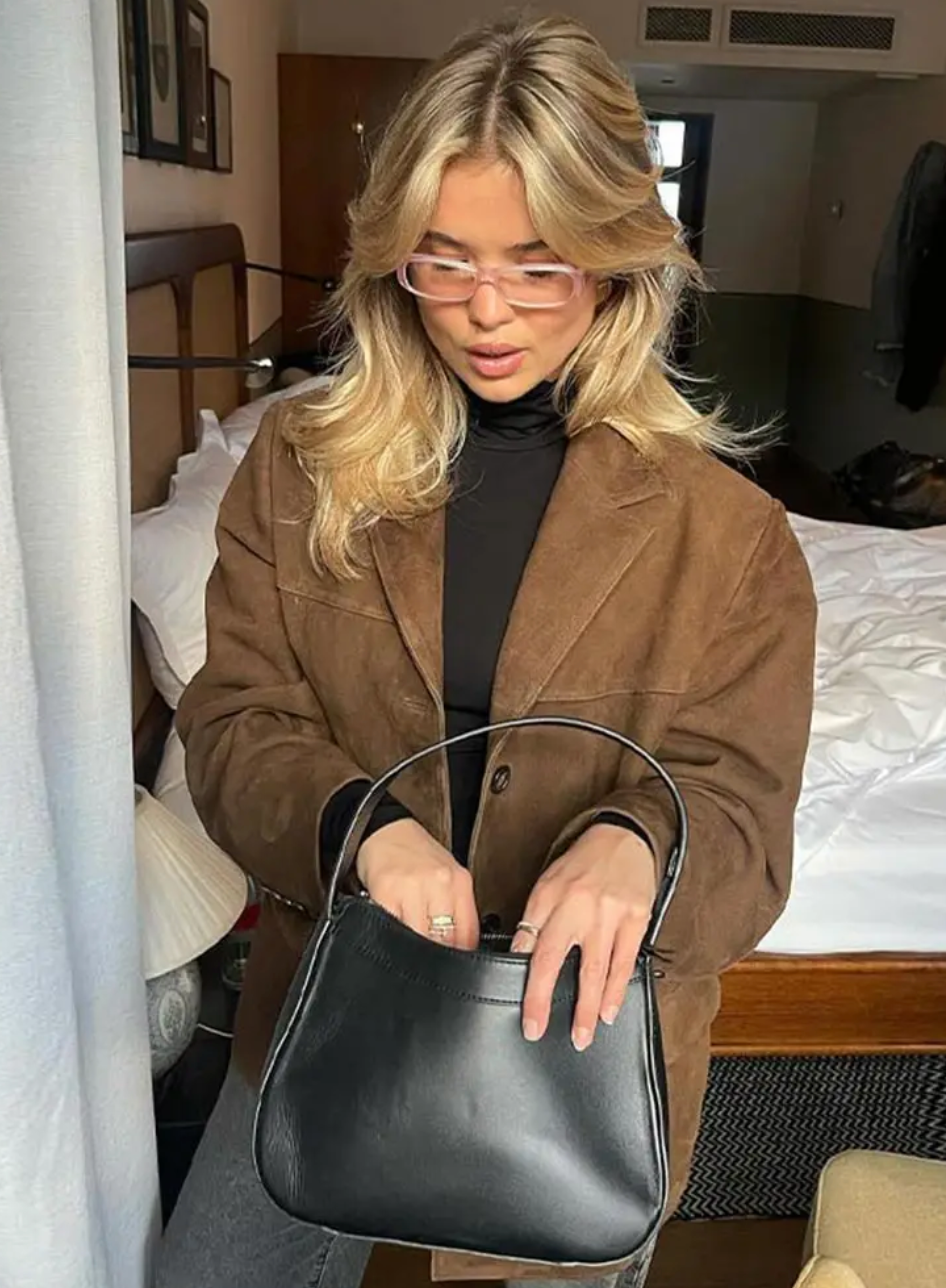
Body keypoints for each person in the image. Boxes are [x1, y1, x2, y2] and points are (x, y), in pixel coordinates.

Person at [159, 13, 816, 1288]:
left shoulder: (730, 536)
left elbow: (745, 807)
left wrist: (638, 841)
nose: (484, 311)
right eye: (443, 260)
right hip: (330, 1001)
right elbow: (233, 719)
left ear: (616, 261)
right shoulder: (296, 471)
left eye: (539, 264)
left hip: (579, 1046)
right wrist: (363, 825)